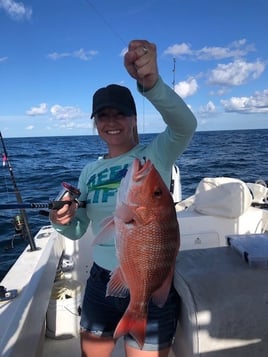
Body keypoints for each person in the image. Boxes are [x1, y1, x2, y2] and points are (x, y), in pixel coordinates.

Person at [49, 39, 197, 357]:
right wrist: (60, 220)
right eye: (103, 116)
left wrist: (152, 83)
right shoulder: (89, 171)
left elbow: (186, 125)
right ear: (95, 123)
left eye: (121, 114)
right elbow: (77, 230)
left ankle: (140, 310)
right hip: (101, 283)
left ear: (134, 119)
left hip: (150, 280)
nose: (112, 122)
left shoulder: (152, 156)